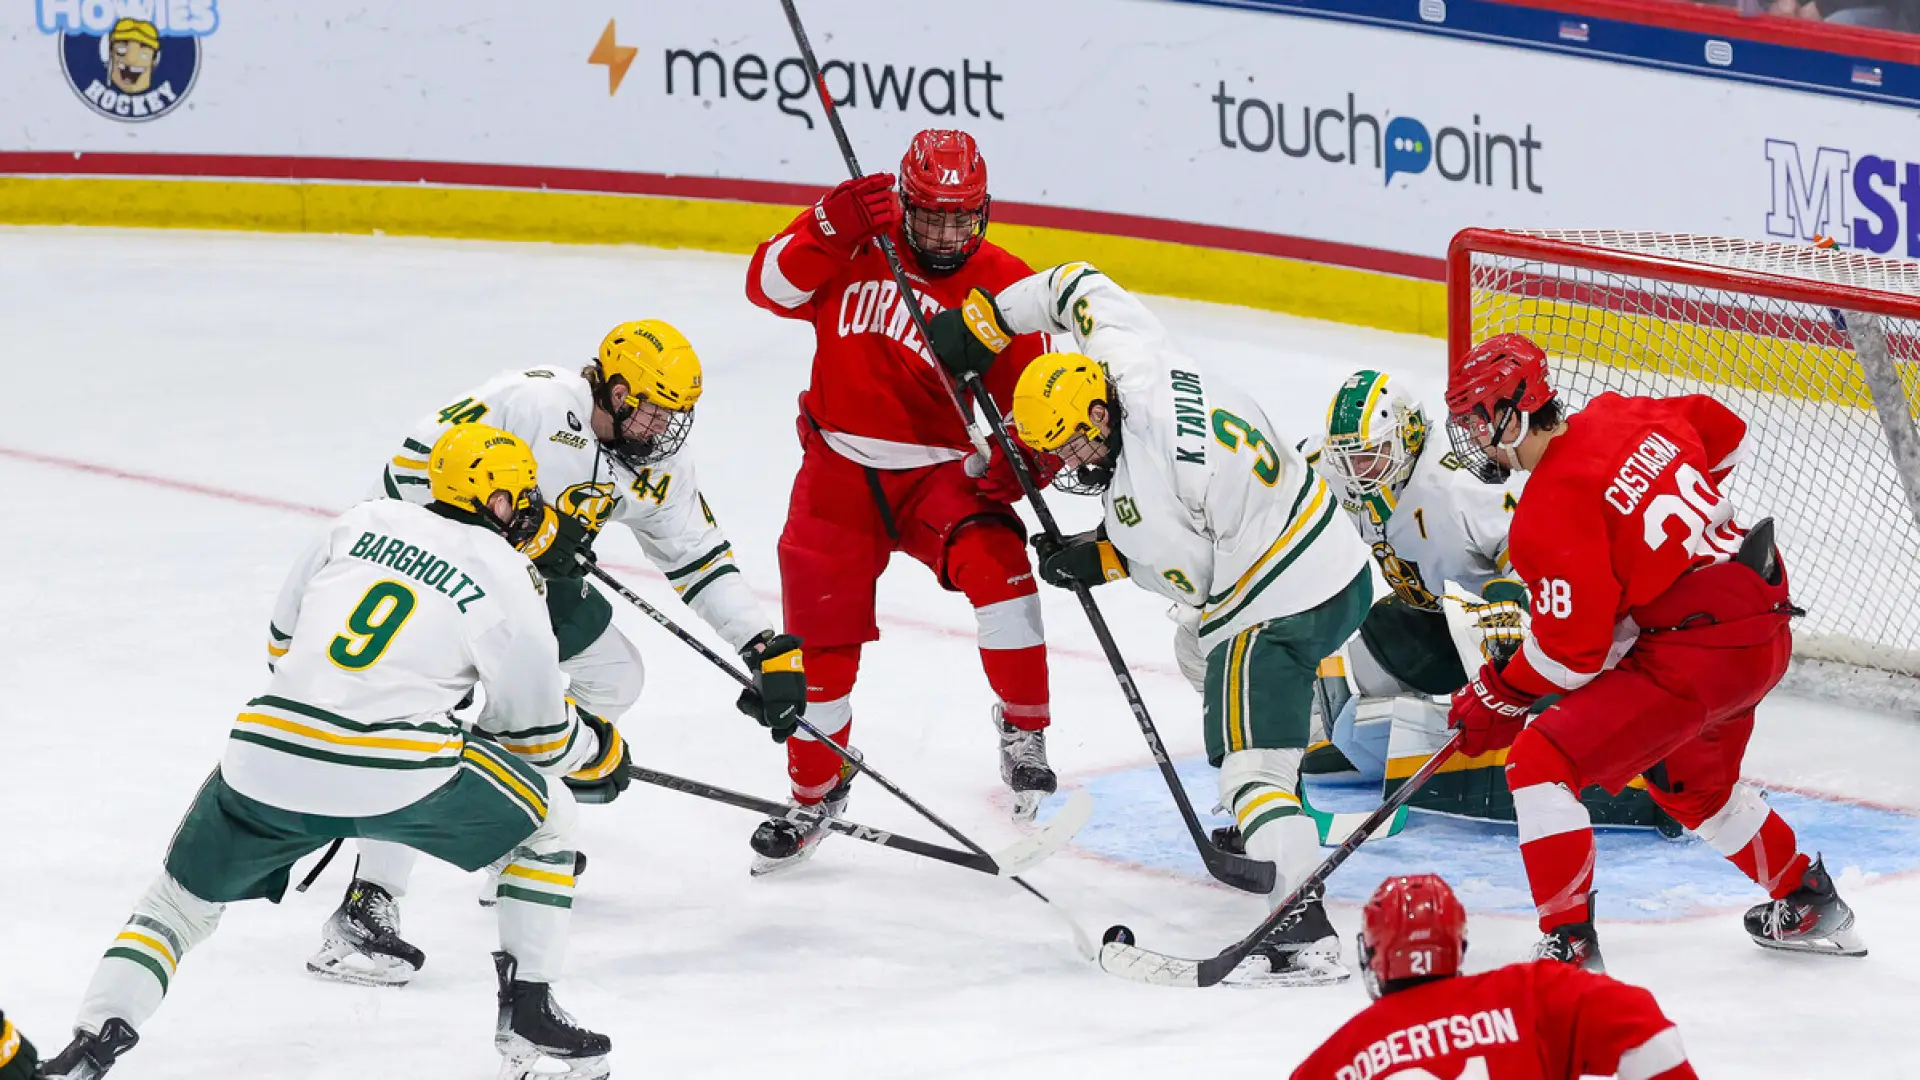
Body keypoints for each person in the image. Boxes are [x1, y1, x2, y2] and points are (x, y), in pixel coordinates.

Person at [41, 425, 631, 1080]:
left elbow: (280, 644)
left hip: (267, 749)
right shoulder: (507, 575)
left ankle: (88, 1047)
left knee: (175, 905)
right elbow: (535, 736)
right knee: (549, 818)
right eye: (513, 496)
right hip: (393, 769)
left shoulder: (359, 522)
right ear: (481, 496)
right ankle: (531, 1022)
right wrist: (597, 749)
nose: (526, 510)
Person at [311, 320, 803, 982]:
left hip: (529, 582)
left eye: (675, 414)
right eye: (655, 409)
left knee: (614, 676)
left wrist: (759, 642)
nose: (664, 428)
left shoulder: (657, 461)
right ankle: (362, 912)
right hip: (436, 573)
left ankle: (500, 824)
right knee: (428, 726)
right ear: (618, 390)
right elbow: (406, 470)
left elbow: (695, 553)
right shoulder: (531, 404)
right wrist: (514, 526)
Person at [927, 262, 1373, 984]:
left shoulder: (1146, 500)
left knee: (1244, 765)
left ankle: (1301, 920)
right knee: (1194, 651)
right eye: (1058, 453)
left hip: (1277, 599)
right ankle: (1283, 800)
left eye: (1076, 446)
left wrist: (1099, 557)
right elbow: (1074, 284)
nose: (1071, 463)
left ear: (1100, 416)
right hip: (1340, 562)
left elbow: (1188, 576)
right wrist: (990, 322)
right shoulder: (1132, 361)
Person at [1442, 333, 1866, 969]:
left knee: (1540, 758)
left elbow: (1572, 658)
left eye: (1478, 417)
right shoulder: (1625, 412)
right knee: (1692, 785)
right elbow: (1727, 430)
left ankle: (1569, 944)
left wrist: (1495, 692)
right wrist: (1676, 540)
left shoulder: (1545, 511)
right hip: (1760, 618)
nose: (1473, 434)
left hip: (1694, 654)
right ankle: (1806, 898)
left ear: (1514, 409)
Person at [743, 128, 1056, 871]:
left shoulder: (1009, 286)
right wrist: (825, 223)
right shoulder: (857, 245)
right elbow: (768, 287)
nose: (948, 233)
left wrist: (1022, 462)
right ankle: (816, 790)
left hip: (941, 475)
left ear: (984, 211)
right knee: (816, 658)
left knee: (1004, 573)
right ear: (906, 204)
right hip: (838, 473)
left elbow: (1038, 411)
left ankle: (1024, 733)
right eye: (932, 216)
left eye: (963, 217)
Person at [1307, 371, 1677, 835]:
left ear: (1408, 435)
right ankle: (1408, 741)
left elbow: (1539, 550)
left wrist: (1510, 599)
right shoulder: (1336, 470)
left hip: (1519, 618)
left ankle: (1631, 769)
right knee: (1371, 653)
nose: (1361, 472)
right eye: (1351, 460)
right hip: (1440, 614)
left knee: (1508, 647)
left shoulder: (1463, 485)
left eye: (1371, 455)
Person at [1290, 874, 1699, 1080]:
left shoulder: (1343, 1055)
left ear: (1373, 954)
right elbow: (1645, 1030)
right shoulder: (1530, 993)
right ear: (1458, 944)